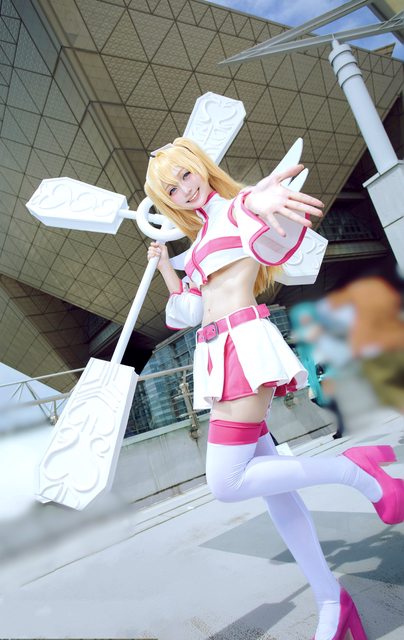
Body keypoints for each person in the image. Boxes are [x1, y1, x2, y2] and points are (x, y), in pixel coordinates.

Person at [145, 137, 404, 640]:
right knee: (279, 497)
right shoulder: (200, 239)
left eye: (186, 175)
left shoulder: (238, 208)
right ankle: (331, 600)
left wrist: (257, 203)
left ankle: (354, 471)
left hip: (243, 347)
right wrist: (166, 269)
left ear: (201, 168)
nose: (184, 189)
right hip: (215, 355)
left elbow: (268, 235)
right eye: (171, 189)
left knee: (226, 482)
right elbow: (188, 312)